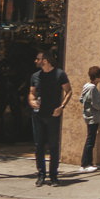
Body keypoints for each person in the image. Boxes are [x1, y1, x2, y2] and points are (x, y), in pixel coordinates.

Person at [28, 50, 71, 187]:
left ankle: (53, 175)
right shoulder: (35, 76)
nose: (36, 61)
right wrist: (31, 101)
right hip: (38, 115)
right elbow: (31, 93)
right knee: (38, 145)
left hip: (53, 115)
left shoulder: (59, 74)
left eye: (38, 58)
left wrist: (61, 107)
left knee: (53, 146)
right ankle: (41, 175)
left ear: (45, 60)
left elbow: (69, 91)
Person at [79, 65, 100, 173]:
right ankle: (85, 163)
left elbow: (81, 99)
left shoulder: (86, 86)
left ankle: (88, 162)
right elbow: (97, 105)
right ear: (97, 77)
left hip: (88, 115)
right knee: (90, 140)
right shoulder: (93, 88)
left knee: (90, 139)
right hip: (93, 117)